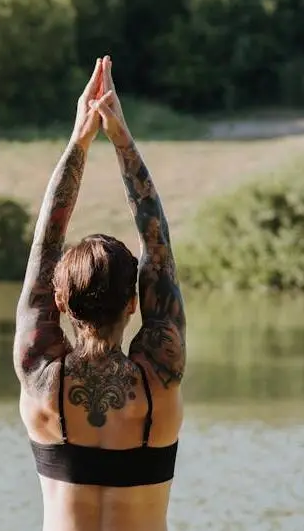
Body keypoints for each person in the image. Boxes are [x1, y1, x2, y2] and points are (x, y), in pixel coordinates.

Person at [13, 55, 187, 531]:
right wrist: (123, 142)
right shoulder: (160, 379)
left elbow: (45, 245)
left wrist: (79, 143)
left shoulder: (41, 379)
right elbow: (158, 249)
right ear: (133, 302)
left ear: (61, 302)